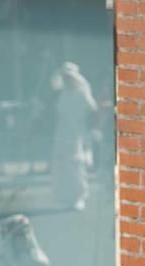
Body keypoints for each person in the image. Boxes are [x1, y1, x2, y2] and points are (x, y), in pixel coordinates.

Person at [50, 62, 97, 211]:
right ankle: (63, 197)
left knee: (76, 166)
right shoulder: (61, 94)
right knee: (61, 166)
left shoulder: (82, 94)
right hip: (61, 134)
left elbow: (92, 113)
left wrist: (90, 133)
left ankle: (79, 197)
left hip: (77, 134)